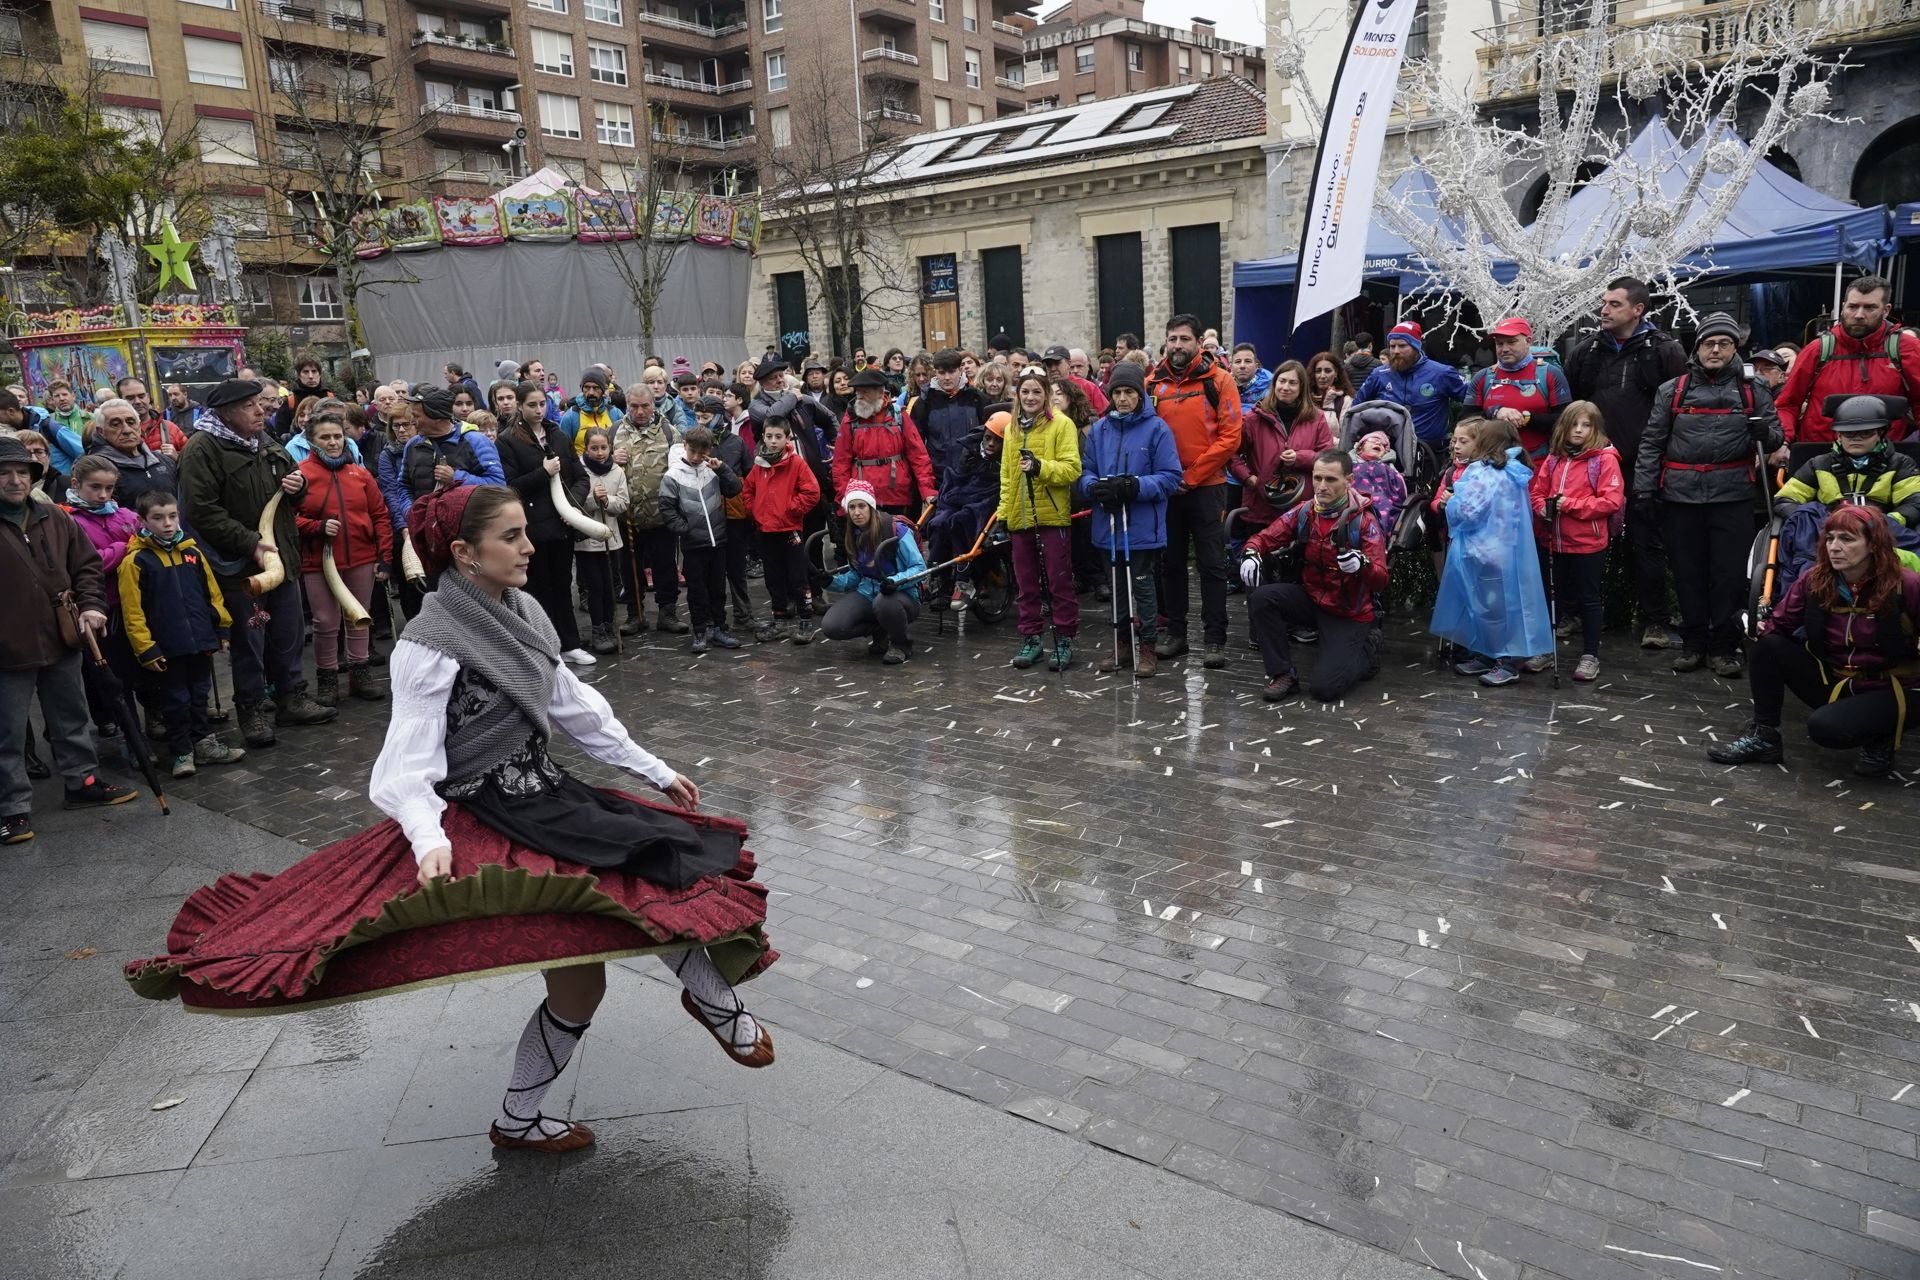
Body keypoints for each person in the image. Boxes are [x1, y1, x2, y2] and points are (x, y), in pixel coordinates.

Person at [126, 483, 777, 1150]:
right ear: (465, 553)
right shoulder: (429, 642)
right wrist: (429, 837)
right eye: (513, 537)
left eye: (527, 532)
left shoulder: (521, 609)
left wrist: (654, 770)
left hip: (545, 795)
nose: (529, 547)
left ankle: (534, 1111)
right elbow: (404, 765)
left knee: (616, 924)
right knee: (627, 905)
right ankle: (693, 1016)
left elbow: (571, 705)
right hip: (491, 815)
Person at [178, 379, 336, 748]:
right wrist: (250, 544)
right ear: (226, 412)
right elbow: (201, 511)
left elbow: (289, 495)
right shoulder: (202, 449)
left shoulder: (265, 441)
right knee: (250, 640)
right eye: (249, 405)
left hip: (282, 558)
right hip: (239, 568)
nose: (260, 411)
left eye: (259, 404)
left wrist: (299, 489)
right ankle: (250, 708)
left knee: (288, 633)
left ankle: (291, 698)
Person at [1710, 506, 1919, 777]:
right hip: (1840, 678)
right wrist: (1755, 626)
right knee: (1768, 645)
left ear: (1873, 544)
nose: (1835, 547)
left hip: (1895, 686)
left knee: (1826, 729)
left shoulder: (1906, 584)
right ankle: (1764, 736)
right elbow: (1780, 626)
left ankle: (1880, 735)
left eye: (1847, 539)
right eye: (1830, 538)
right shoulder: (1815, 579)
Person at [0, 435, 136, 843]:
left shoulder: (54, 517)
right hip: (8, 647)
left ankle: (82, 782)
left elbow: (88, 566)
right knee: (6, 732)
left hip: (62, 636)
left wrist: (93, 605)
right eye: (4, 473)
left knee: (71, 716)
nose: (13, 481)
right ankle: (12, 807)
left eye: (22, 472)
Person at [1634, 313, 1783, 677]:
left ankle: (1724, 645)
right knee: (1687, 573)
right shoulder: (1673, 390)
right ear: (1697, 347)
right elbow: (1652, 442)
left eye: (1724, 343)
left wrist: (1766, 432)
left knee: (1729, 574)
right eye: (1708, 343)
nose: (1715, 349)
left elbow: (1775, 439)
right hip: (1680, 496)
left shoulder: (1754, 389)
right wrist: (1643, 491)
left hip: (1732, 494)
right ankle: (1693, 642)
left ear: (1735, 347)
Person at [1563, 275, 1690, 649]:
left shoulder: (1664, 350)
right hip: (1592, 462)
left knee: (1644, 542)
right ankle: (1575, 612)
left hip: (1643, 464)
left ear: (1638, 309)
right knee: (1579, 541)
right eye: (1604, 303)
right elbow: (1573, 406)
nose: (1604, 310)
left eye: (1614, 304)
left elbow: (1679, 407)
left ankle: (1653, 621)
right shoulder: (1586, 350)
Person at [1240, 453, 1390, 703]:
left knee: (1324, 690)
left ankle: (1368, 648)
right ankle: (1282, 674)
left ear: (1349, 480)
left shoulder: (1364, 522)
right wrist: (1251, 552)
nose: (1321, 486)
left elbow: (1381, 579)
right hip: (1312, 599)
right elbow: (1266, 536)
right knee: (1262, 598)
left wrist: (1362, 565)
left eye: (1330, 479)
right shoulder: (1306, 510)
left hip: (1348, 612)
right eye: (1317, 478)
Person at [119, 489, 246, 777]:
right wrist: (146, 648)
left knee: (199, 694)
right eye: (158, 518)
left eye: (172, 516)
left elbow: (211, 593)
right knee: (175, 700)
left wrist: (221, 627)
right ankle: (181, 750)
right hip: (167, 646)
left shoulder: (192, 553)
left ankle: (203, 742)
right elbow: (133, 610)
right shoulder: (136, 561)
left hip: (200, 639)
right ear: (143, 520)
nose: (167, 523)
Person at [1430, 417, 1556, 687]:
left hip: (1482, 551)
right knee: (1500, 605)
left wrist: (1450, 502)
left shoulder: (1487, 472)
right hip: (1504, 550)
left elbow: (1468, 511)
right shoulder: (1514, 470)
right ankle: (1491, 654)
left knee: (1490, 606)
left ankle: (1506, 661)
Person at [1150, 313, 1243, 667]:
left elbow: (1230, 437)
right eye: (1172, 339)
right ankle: (1176, 634)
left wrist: (1190, 477)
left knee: (1211, 565)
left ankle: (1215, 640)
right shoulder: (1152, 383)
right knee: (1169, 564)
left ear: (1198, 343)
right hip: (1166, 490)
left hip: (1207, 488)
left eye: (1184, 339)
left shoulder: (1220, 381)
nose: (1177, 345)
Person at [1078, 362, 1183, 676]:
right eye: (1118, 392)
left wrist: (1135, 485)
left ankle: (1147, 644)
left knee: (1143, 586)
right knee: (1117, 587)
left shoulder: (1157, 429)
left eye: (1129, 392)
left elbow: (1169, 476)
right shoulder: (1099, 430)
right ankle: (1122, 643)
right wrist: (1095, 488)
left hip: (1141, 525)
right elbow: (1086, 471)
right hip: (1108, 522)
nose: (1123, 398)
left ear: (1140, 394)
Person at [494, 383, 598, 667]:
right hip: (533, 528)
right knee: (537, 588)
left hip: (561, 526)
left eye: (542, 404)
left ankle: (570, 643)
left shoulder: (558, 435)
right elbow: (511, 486)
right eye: (532, 405)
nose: (538, 410)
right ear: (520, 406)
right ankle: (544, 647)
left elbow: (580, 478)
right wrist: (543, 472)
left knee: (563, 585)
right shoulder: (507, 441)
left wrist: (572, 507)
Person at [294, 413, 392, 705]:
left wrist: (384, 556)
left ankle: (359, 674)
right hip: (317, 561)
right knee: (325, 621)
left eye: (337, 436)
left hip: (361, 558)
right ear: (312, 440)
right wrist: (316, 527)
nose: (333, 442)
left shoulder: (360, 474)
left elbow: (380, 515)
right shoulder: (301, 474)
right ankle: (327, 677)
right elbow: (287, 518)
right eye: (325, 437)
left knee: (359, 617)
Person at [1771, 395, 1920, 582]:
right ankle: (1807, 584)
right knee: (1807, 513)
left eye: (1865, 433)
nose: (1856, 438)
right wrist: (1827, 522)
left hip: (1881, 528)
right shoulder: (1818, 464)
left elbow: (1915, 501)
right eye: (1848, 433)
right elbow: (1785, 499)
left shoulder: (1900, 463)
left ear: (1881, 433)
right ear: (1838, 435)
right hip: (1827, 531)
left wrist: (1883, 521)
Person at [1530, 401, 1623, 683]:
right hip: (1553, 540)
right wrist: (1543, 507)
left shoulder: (1604, 459)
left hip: (1587, 543)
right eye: (1574, 424)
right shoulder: (1554, 458)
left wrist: (1569, 505)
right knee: (1549, 597)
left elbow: (1610, 501)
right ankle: (1545, 648)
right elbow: (1538, 492)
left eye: (1586, 425)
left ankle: (1590, 654)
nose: (1579, 431)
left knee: (1588, 599)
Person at [998, 368, 1081, 671]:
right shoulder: (1011, 428)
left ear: (1046, 394)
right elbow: (1007, 475)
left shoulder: (1062, 425)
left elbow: (1072, 469)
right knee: (1026, 583)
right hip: (1020, 517)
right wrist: (1004, 512)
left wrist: (1041, 467)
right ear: (1017, 394)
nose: (1030, 397)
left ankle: (1063, 638)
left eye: (1036, 392)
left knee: (1058, 581)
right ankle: (1031, 637)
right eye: (1025, 392)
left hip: (1052, 516)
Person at [1776, 275, 1920, 446]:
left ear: (1886, 310)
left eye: (1869, 307)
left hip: (1886, 457)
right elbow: (1787, 404)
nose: (1859, 314)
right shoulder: (1818, 349)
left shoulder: (1908, 348)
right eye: (1853, 306)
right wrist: (1782, 442)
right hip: (1818, 454)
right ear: (1843, 307)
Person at [818, 481, 924, 663]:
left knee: (884, 603)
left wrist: (895, 581)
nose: (856, 512)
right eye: (851, 507)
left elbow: (920, 568)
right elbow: (856, 575)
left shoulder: (895, 530)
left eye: (861, 506)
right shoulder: (854, 533)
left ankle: (900, 645)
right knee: (832, 626)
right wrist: (830, 582)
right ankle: (879, 630)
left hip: (901, 595)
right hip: (868, 592)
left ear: (871, 507)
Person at [659, 425, 743, 654]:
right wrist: (684, 529)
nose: (696, 457)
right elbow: (667, 509)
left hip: (718, 540)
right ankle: (699, 631)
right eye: (692, 451)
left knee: (718, 588)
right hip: (693, 544)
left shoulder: (712, 469)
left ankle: (719, 628)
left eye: (701, 453)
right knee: (697, 590)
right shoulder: (673, 475)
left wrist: (723, 468)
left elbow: (734, 489)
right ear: (685, 446)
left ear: (709, 450)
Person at [612, 385, 688, 636]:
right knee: (629, 567)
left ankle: (668, 612)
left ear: (653, 405)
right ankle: (636, 614)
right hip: (628, 516)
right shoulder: (615, 432)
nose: (640, 411)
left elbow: (680, 472)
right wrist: (611, 460)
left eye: (645, 406)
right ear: (627, 406)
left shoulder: (669, 432)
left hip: (661, 515)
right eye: (634, 406)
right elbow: (600, 469)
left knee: (665, 565)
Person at [742, 418, 822, 643]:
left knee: (797, 577)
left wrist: (791, 509)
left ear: (787, 438)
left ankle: (806, 621)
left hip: (789, 529)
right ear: (763, 438)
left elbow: (812, 492)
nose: (773, 441)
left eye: (778, 437)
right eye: (769, 437)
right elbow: (748, 490)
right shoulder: (759, 465)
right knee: (773, 577)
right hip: (765, 530)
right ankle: (780, 620)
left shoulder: (796, 463)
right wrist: (754, 510)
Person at [1232, 361, 1334, 529]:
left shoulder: (1316, 418)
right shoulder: (1254, 417)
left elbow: (1328, 458)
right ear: (1275, 383)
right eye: (1282, 381)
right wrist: (1247, 478)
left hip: (1303, 506)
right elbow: (1231, 453)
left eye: (1292, 383)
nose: (1286, 387)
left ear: (1302, 387)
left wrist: (1299, 457)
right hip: (1262, 505)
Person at [831, 369, 938, 516]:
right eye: (858, 392)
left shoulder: (899, 416)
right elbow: (840, 463)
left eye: (865, 392)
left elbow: (918, 456)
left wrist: (927, 491)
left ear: (881, 392)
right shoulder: (850, 420)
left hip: (897, 496)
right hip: (863, 498)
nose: (859, 397)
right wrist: (844, 497)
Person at [1466, 317, 1572, 459]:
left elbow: (1566, 422)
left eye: (1511, 342)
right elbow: (1465, 421)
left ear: (1528, 341)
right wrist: (1494, 412)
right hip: (1491, 465)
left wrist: (1526, 418)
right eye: (1499, 344)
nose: (1504, 349)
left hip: (1538, 463)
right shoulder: (1483, 377)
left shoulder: (1550, 374)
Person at [1355, 322, 1468, 448]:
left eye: (1402, 346)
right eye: (1392, 346)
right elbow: (1356, 408)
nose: (1396, 351)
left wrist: (1463, 433)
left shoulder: (1442, 373)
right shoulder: (1379, 374)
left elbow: (1472, 399)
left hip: (1429, 454)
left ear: (1416, 347)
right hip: (1387, 453)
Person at [574, 426, 629, 656]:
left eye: (603, 447)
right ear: (586, 448)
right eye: (594, 448)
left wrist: (608, 501)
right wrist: (593, 500)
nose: (599, 453)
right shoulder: (579, 470)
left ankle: (609, 625)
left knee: (609, 585)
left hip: (611, 537)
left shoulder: (617, 471)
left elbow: (624, 502)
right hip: (587, 540)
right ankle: (597, 628)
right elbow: (575, 503)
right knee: (595, 586)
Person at [909, 349, 988, 494]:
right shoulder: (924, 403)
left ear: (960, 370)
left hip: (974, 478)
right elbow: (916, 448)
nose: (946, 377)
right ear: (935, 372)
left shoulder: (977, 398)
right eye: (941, 372)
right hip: (939, 480)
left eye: (951, 372)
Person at [86, 398, 180, 511]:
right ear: (101, 431)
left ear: (139, 426)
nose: (126, 430)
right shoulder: (96, 469)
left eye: (131, 422)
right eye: (115, 424)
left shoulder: (164, 460)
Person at [1347, 432, 1409, 538]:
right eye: (1373, 440)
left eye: (1383, 445)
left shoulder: (1388, 467)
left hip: (1381, 501)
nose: (1378, 443)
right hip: (1354, 498)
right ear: (1359, 447)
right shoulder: (1349, 465)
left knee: (1382, 514)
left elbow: (1400, 490)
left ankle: (1378, 539)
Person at [116, 378, 186, 458]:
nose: (137, 401)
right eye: (130, 398)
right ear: (120, 401)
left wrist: (177, 457)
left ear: (148, 397)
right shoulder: (116, 434)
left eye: (141, 396)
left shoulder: (170, 428)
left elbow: (191, 458)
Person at [561, 367, 625, 453]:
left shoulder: (615, 414)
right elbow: (563, 452)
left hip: (611, 465)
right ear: (581, 388)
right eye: (587, 387)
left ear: (603, 390)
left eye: (596, 388)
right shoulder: (571, 416)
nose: (591, 392)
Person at [1042, 345, 1109, 416]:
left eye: (1057, 363)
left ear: (1069, 363)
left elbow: (1105, 415)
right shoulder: (1041, 388)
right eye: (1049, 364)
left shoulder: (1087, 386)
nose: (1052, 368)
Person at [1308, 351, 1355, 421]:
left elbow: (1344, 431)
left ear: (1336, 373)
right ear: (1313, 374)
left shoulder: (1346, 402)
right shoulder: (1304, 399)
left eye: (1327, 371)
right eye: (1318, 371)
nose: (1322, 376)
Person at [1229, 343, 1272, 408]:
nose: (1242, 366)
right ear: (1231, 367)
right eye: (1238, 361)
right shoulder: (1223, 388)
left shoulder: (1271, 390)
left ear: (1256, 366)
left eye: (1248, 361)